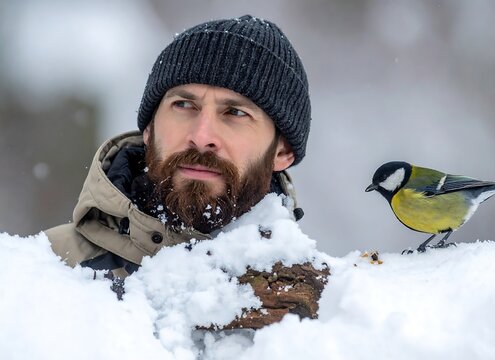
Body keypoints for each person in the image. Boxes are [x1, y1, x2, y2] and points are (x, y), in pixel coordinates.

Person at [45, 15, 311, 279]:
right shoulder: (42, 269)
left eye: (235, 112)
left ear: (283, 151)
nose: (201, 136)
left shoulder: (323, 301)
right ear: (149, 128)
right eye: (183, 105)